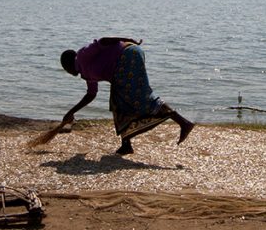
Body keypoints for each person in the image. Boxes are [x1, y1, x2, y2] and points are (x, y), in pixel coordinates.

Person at [60, 37, 194, 155]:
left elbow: (103, 41)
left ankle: (183, 123)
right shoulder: (86, 73)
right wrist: (71, 112)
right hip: (127, 58)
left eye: (65, 69)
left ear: (68, 64)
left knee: (136, 97)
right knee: (120, 101)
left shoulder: (82, 55)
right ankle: (126, 144)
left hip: (127, 55)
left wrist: (128, 39)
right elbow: (91, 95)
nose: (67, 72)